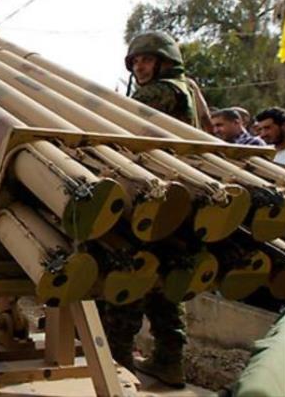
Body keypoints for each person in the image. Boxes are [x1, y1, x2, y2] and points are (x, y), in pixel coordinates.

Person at [101, 31, 197, 388]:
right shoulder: (188, 90)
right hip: (178, 198)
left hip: (154, 197)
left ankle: (119, 364)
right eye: (136, 61)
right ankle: (169, 362)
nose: (140, 67)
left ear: (164, 63)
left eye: (146, 60)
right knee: (164, 285)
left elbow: (117, 125)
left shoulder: (162, 91)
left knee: (131, 274)